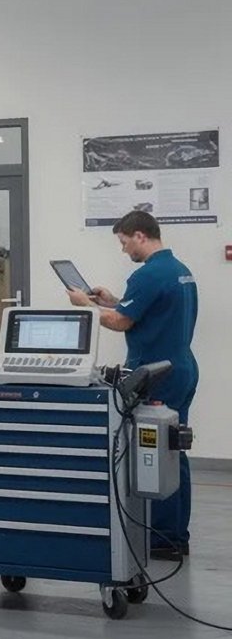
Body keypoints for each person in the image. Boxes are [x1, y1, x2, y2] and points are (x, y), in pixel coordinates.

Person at [68, 210, 199, 559]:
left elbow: (121, 322)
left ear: (140, 235)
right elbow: (142, 309)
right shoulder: (180, 271)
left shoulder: (148, 274)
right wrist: (109, 299)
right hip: (182, 368)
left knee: (155, 454)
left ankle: (161, 538)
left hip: (155, 375)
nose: (124, 251)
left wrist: (86, 307)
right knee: (174, 451)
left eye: (124, 243)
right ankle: (175, 535)